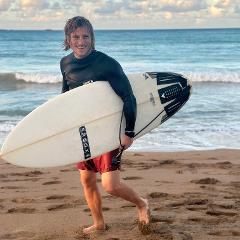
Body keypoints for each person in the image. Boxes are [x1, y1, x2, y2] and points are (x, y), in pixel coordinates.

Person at [60, 16, 150, 234]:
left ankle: (142, 204)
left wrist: (129, 132)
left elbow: (128, 97)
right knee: (87, 180)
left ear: (92, 38)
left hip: (110, 130)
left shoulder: (107, 64)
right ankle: (99, 222)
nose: (81, 42)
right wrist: (62, 127)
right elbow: (65, 96)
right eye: (76, 37)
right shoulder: (65, 63)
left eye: (85, 37)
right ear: (68, 39)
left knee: (111, 185)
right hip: (84, 131)